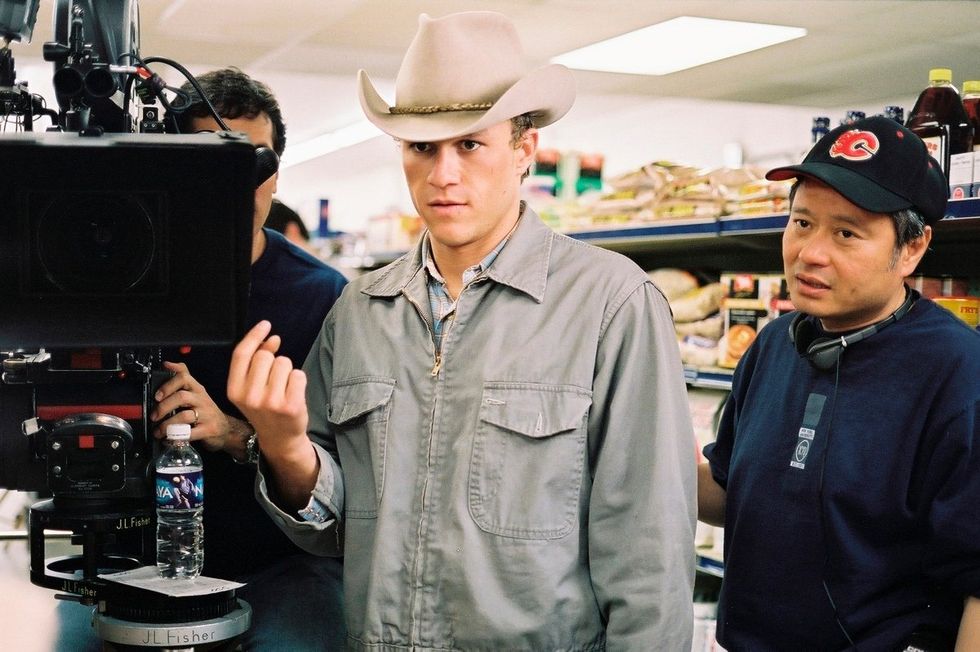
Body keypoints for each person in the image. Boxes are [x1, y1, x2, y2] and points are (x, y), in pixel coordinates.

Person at [227, 11, 696, 651]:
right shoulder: (361, 309)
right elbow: (333, 535)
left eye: (470, 144)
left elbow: (650, 551)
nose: (443, 174)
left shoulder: (611, 305)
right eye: (423, 147)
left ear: (524, 148)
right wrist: (285, 449)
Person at [698, 116, 980, 650]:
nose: (811, 252)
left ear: (913, 248)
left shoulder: (957, 372)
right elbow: (730, 489)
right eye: (802, 223)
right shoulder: (774, 343)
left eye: (846, 233)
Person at [151, 68, 348, 650]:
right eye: (208, 164)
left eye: (252, 166)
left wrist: (238, 432)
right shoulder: (123, 278)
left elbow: (343, 480)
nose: (233, 188)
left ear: (276, 173)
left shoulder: (325, 296)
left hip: (276, 564)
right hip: (134, 557)